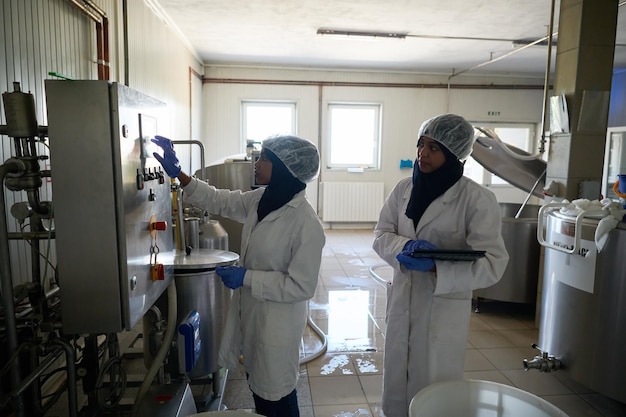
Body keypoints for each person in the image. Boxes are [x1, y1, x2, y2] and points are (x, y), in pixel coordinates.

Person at [152, 134, 325, 417]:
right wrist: (180, 175)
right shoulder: (262, 199)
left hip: (277, 327)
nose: (256, 163)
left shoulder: (306, 224)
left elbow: (301, 286)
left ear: (285, 167)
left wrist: (246, 278)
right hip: (254, 317)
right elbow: (220, 200)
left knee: (277, 397)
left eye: (265, 158)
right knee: (260, 390)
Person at [372, 113, 509, 417]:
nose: (423, 153)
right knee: (395, 388)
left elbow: (493, 263)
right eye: (422, 144)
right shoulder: (403, 190)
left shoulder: (476, 199)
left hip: (441, 311)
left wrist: (437, 268)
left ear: (454, 154)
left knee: (434, 394)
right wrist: (404, 246)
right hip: (401, 302)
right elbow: (381, 234)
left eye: (434, 148)